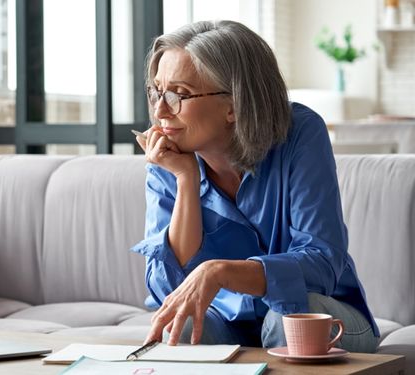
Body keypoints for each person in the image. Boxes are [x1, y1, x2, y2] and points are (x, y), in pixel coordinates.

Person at [130, 20, 379, 352]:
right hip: (228, 322)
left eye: (179, 94)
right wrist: (186, 181)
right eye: (156, 91)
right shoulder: (169, 157)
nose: (160, 110)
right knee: (182, 326)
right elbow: (169, 290)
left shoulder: (300, 134)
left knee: (286, 319)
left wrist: (220, 272)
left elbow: (322, 263)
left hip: (323, 315)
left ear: (234, 104)